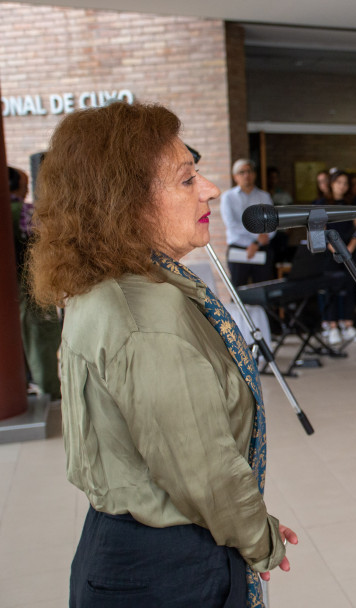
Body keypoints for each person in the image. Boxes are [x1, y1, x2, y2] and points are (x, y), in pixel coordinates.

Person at [27, 102, 296, 606]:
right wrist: (262, 539)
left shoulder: (110, 284)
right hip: (170, 569)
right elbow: (205, 470)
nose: (211, 190)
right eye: (187, 179)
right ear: (124, 203)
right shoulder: (146, 312)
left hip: (125, 553)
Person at [10, 166, 62, 399]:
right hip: (30, 285)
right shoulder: (24, 212)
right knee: (40, 335)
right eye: (25, 183)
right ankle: (49, 390)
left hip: (11, 291)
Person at [315, 171, 356, 344]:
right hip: (330, 252)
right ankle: (332, 326)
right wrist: (335, 249)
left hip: (348, 251)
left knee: (348, 287)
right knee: (330, 289)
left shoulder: (351, 203)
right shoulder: (322, 203)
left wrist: (349, 249)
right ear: (332, 183)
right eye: (339, 182)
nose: (342, 186)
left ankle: (348, 324)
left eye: (345, 183)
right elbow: (321, 229)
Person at [220, 158, 275, 285]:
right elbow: (232, 225)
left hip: (261, 248)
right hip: (238, 250)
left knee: (262, 290)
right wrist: (257, 237)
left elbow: (272, 223)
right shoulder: (228, 197)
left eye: (249, 171)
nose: (246, 175)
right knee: (238, 293)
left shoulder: (264, 196)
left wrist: (258, 242)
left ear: (254, 174)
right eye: (242, 172)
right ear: (235, 177)